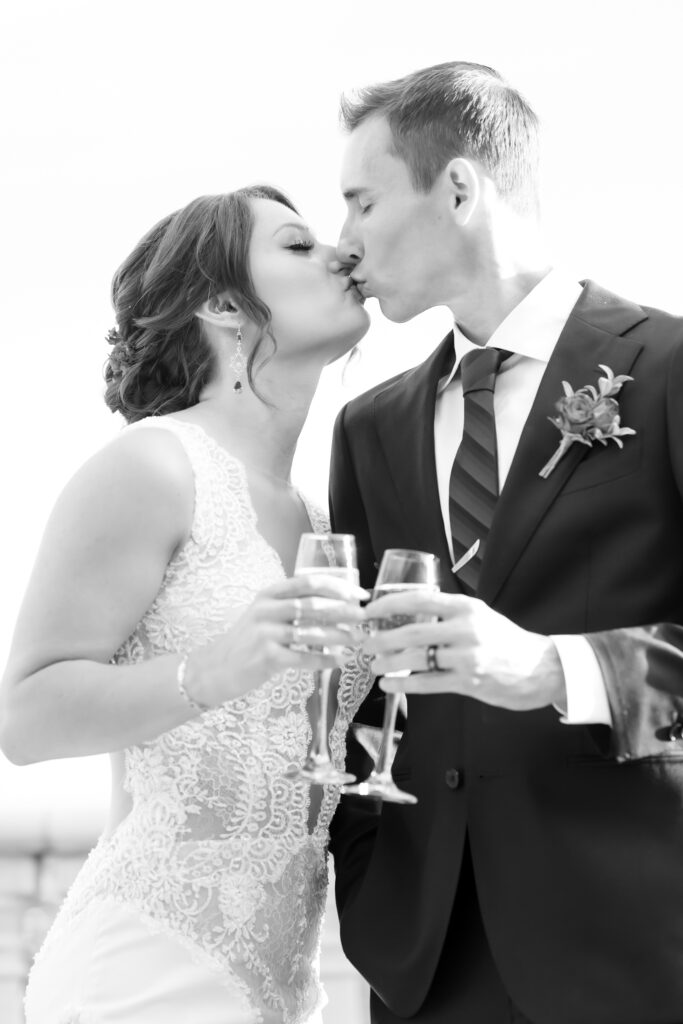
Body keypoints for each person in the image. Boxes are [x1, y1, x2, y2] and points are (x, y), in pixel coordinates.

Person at [328, 61, 683, 1024]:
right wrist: (369, 886)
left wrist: (556, 670)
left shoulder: (668, 369)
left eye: (361, 202)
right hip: (427, 958)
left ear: (457, 188)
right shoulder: (370, 427)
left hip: (637, 949)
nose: (342, 240)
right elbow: (362, 685)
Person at [0, 185, 373, 1024]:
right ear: (221, 304)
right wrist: (212, 669)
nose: (340, 255)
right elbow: (24, 718)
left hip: (284, 985)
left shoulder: (322, 517)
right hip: (146, 973)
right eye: (296, 245)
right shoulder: (153, 468)